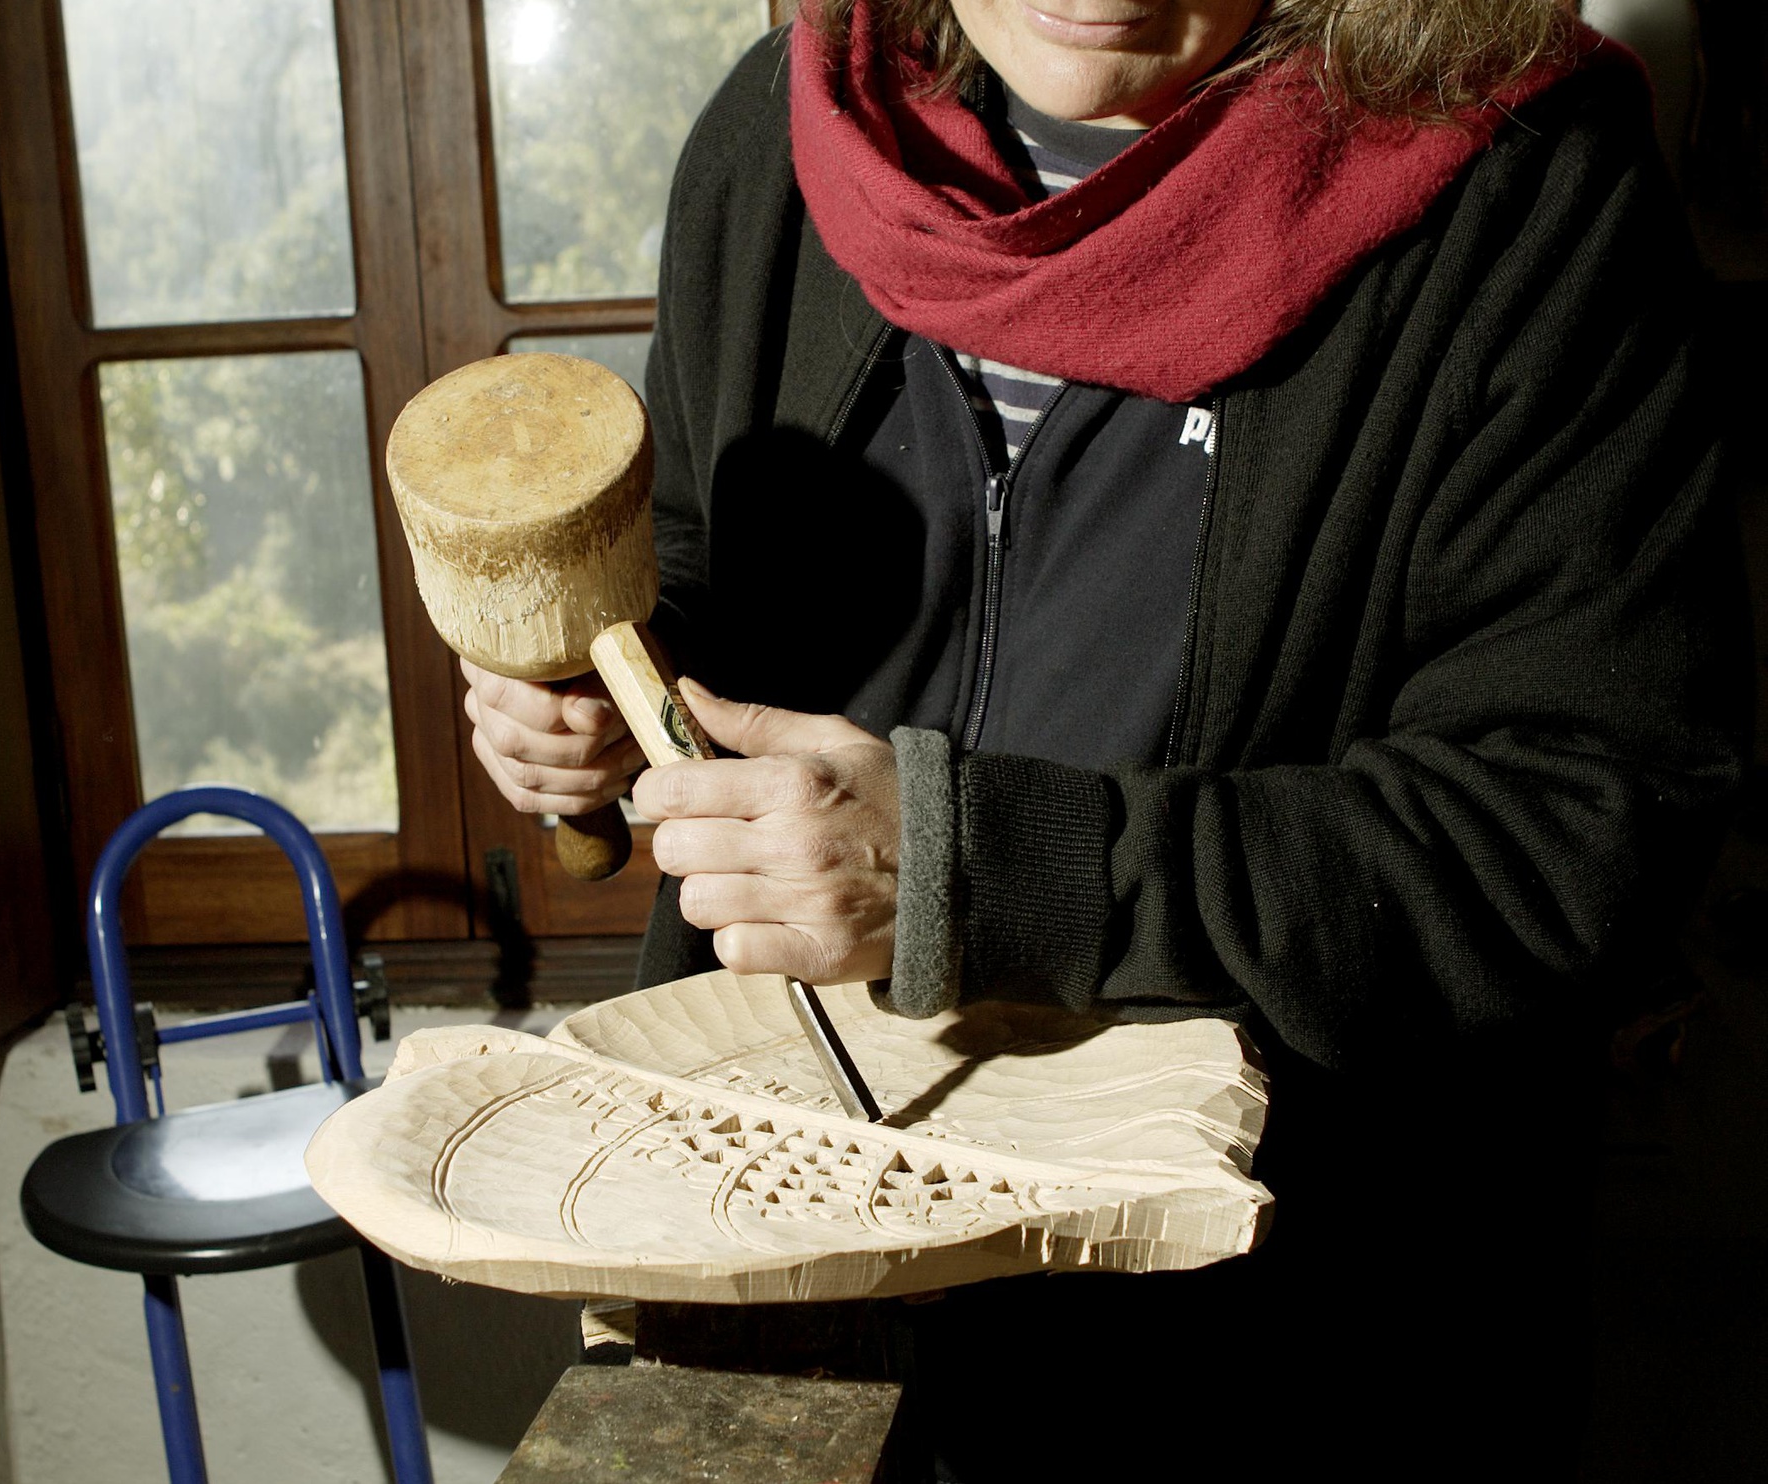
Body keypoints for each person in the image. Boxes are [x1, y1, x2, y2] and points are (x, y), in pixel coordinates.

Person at [460, 0, 1751, 1472]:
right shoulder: (787, 131)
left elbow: (1578, 824)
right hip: (773, 1273)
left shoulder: (1517, 176)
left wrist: (982, 867)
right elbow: (713, 530)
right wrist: (629, 678)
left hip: (1275, 1350)